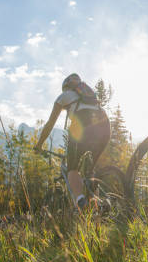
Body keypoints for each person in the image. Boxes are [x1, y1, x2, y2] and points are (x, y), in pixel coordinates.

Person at [34, 73, 110, 210]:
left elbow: (50, 124)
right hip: (104, 125)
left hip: (83, 124)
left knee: (72, 168)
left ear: (66, 87)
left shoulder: (64, 96)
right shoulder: (89, 98)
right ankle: (97, 205)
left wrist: (39, 144)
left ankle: (81, 202)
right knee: (90, 171)